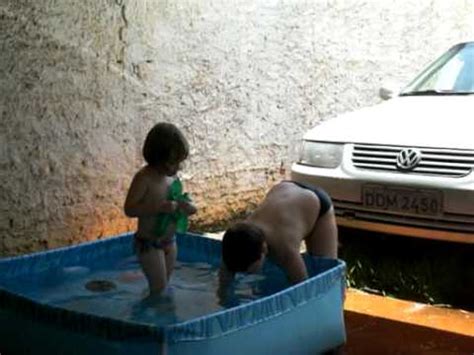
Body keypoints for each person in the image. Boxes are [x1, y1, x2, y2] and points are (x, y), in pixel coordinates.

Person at [219, 180, 338, 287]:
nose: (246, 274)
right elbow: (224, 279)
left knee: (324, 272)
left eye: (250, 271)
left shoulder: (285, 250)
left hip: (316, 201)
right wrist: (223, 300)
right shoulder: (236, 241)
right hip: (286, 189)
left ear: (264, 249)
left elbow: (303, 290)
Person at [124, 122, 197, 295]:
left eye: (180, 162)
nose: (177, 167)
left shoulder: (172, 179)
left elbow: (186, 204)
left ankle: (158, 310)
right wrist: (157, 207)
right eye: (173, 162)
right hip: (149, 244)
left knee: (163, 287)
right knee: (159, 288)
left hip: (170, 242)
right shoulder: (144, 178)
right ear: (157, 158)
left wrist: (189, 207)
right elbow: (130, 209)